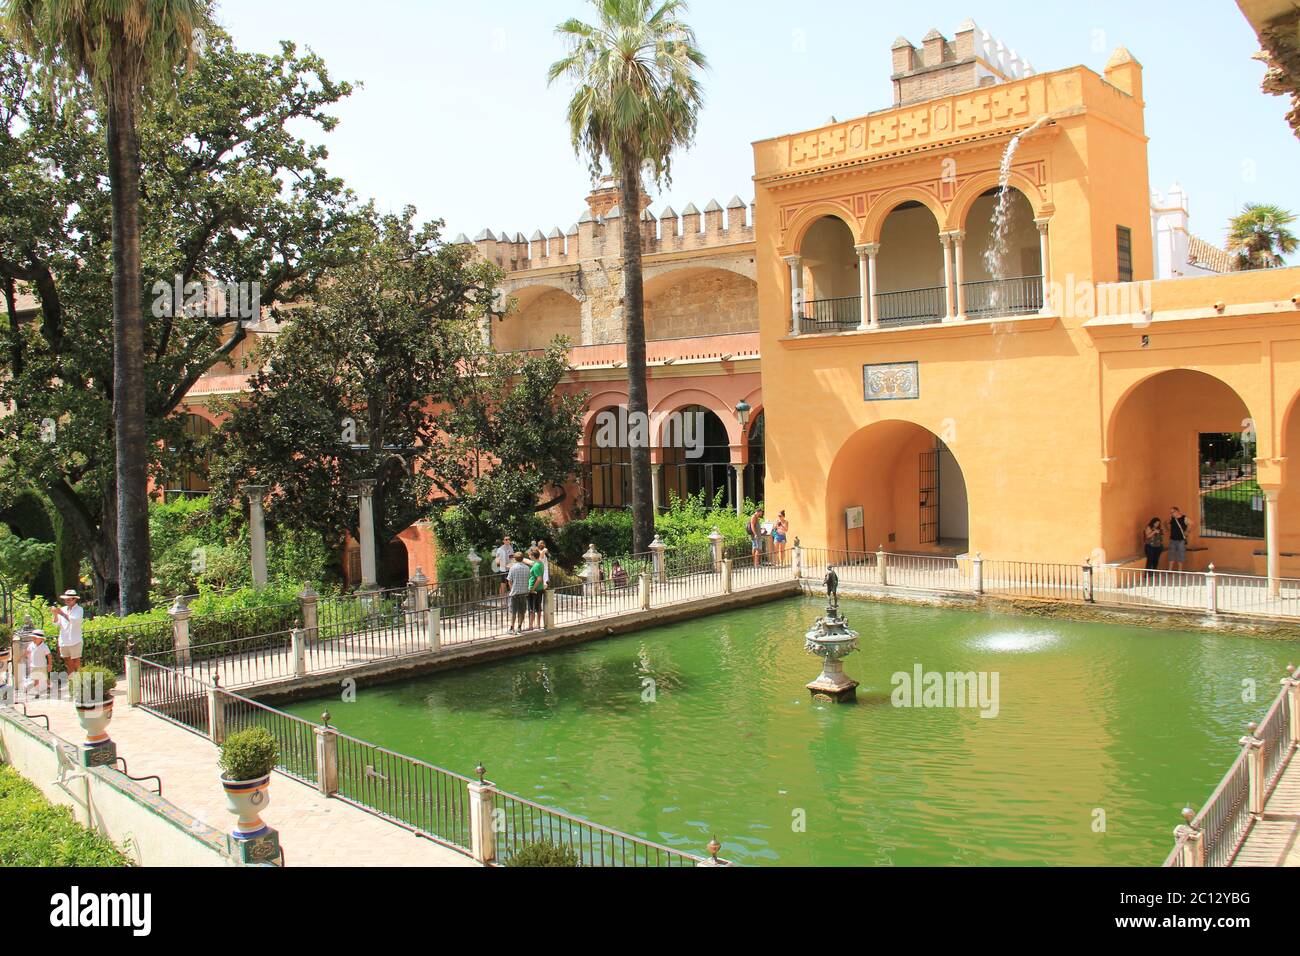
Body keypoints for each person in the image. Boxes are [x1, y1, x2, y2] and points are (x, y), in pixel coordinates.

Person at [51, 589, 83, 674]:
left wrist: (62, 614)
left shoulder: (79, 609)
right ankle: (72, 680)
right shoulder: (63, 609)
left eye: (68, 599)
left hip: (75, 640)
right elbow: (56, 624)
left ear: (74, 599)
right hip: (64, 641)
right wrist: (55, 614)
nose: (66, 601)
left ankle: (81, 680)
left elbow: (75, 621)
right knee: (68, 662)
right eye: (65, 599)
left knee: (76, 662)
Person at [506, 552, 530, 634]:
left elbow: (509, 580)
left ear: (515, 559)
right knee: (522, 611)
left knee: (513, 611)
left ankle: (511, 628)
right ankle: (519, 627)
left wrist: (512, 588)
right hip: (524, 592)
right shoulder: (527, 568)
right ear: (522, 558)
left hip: (515, 593)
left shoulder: (513, 568)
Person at [23, 629, 50, 697]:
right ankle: (37, 692)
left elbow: (49, 656)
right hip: (33, 666)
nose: (33, 639)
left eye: (35, 638)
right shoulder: (31, 645)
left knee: (45, 677)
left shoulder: (44, 646)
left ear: (41, 639)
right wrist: (24, 656)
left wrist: (50, 664)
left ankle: (48, 686)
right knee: (36, 679)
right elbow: (28, 651)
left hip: (42, 665)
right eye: (33, 638)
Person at [526, 547, 546, 632]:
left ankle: (531, 625)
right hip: (540, 588)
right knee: (538, 607)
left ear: (533, 556)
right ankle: (538, 624)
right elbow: (528, 561)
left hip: (534, 589)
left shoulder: (536, 566)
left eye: (530, 555)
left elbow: (539, 579)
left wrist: (532, 589)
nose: (529, 557)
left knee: (531, 608)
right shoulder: (540, 563)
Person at [1168, 506, 1190, 572]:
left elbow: (1191, 523)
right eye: (1171, 512)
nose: (1171, 513)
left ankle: (1180, 570)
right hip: (1172, 539)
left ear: (1177, 511)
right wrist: (1168, 528)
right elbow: (1166, 523)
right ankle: (1170, 570)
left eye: (1172, 512)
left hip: (1181, 540)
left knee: (1181, 554)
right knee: (1171, 554)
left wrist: (1187, 531)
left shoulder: (1184, 518)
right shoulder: (1171, 518)